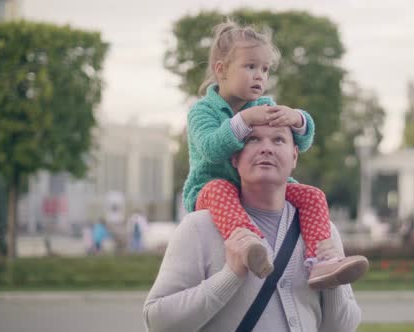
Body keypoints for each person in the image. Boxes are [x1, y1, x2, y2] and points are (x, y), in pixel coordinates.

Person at [181, 19, 367, 288]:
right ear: (221, 70)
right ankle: (250, 246)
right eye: (251, 66)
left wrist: (298, 119)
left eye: (265, 69)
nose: (260, 76)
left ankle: (322, 261)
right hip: (209, 189)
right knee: (220, 188)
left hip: (259, 188)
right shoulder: (202, 112)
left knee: (312, 195)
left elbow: (299, 143)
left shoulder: (265, 105)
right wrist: (244, 120)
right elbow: (211, 149)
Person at [144, 124, 362, 331]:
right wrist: (230, 276)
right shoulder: (199, 227)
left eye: (278, 139)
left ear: (294, 155)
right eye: (253, 139)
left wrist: (334, 283)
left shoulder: (322, 231)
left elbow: (341, 328)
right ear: (235, 157)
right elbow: (158, 323)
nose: (266, 148)